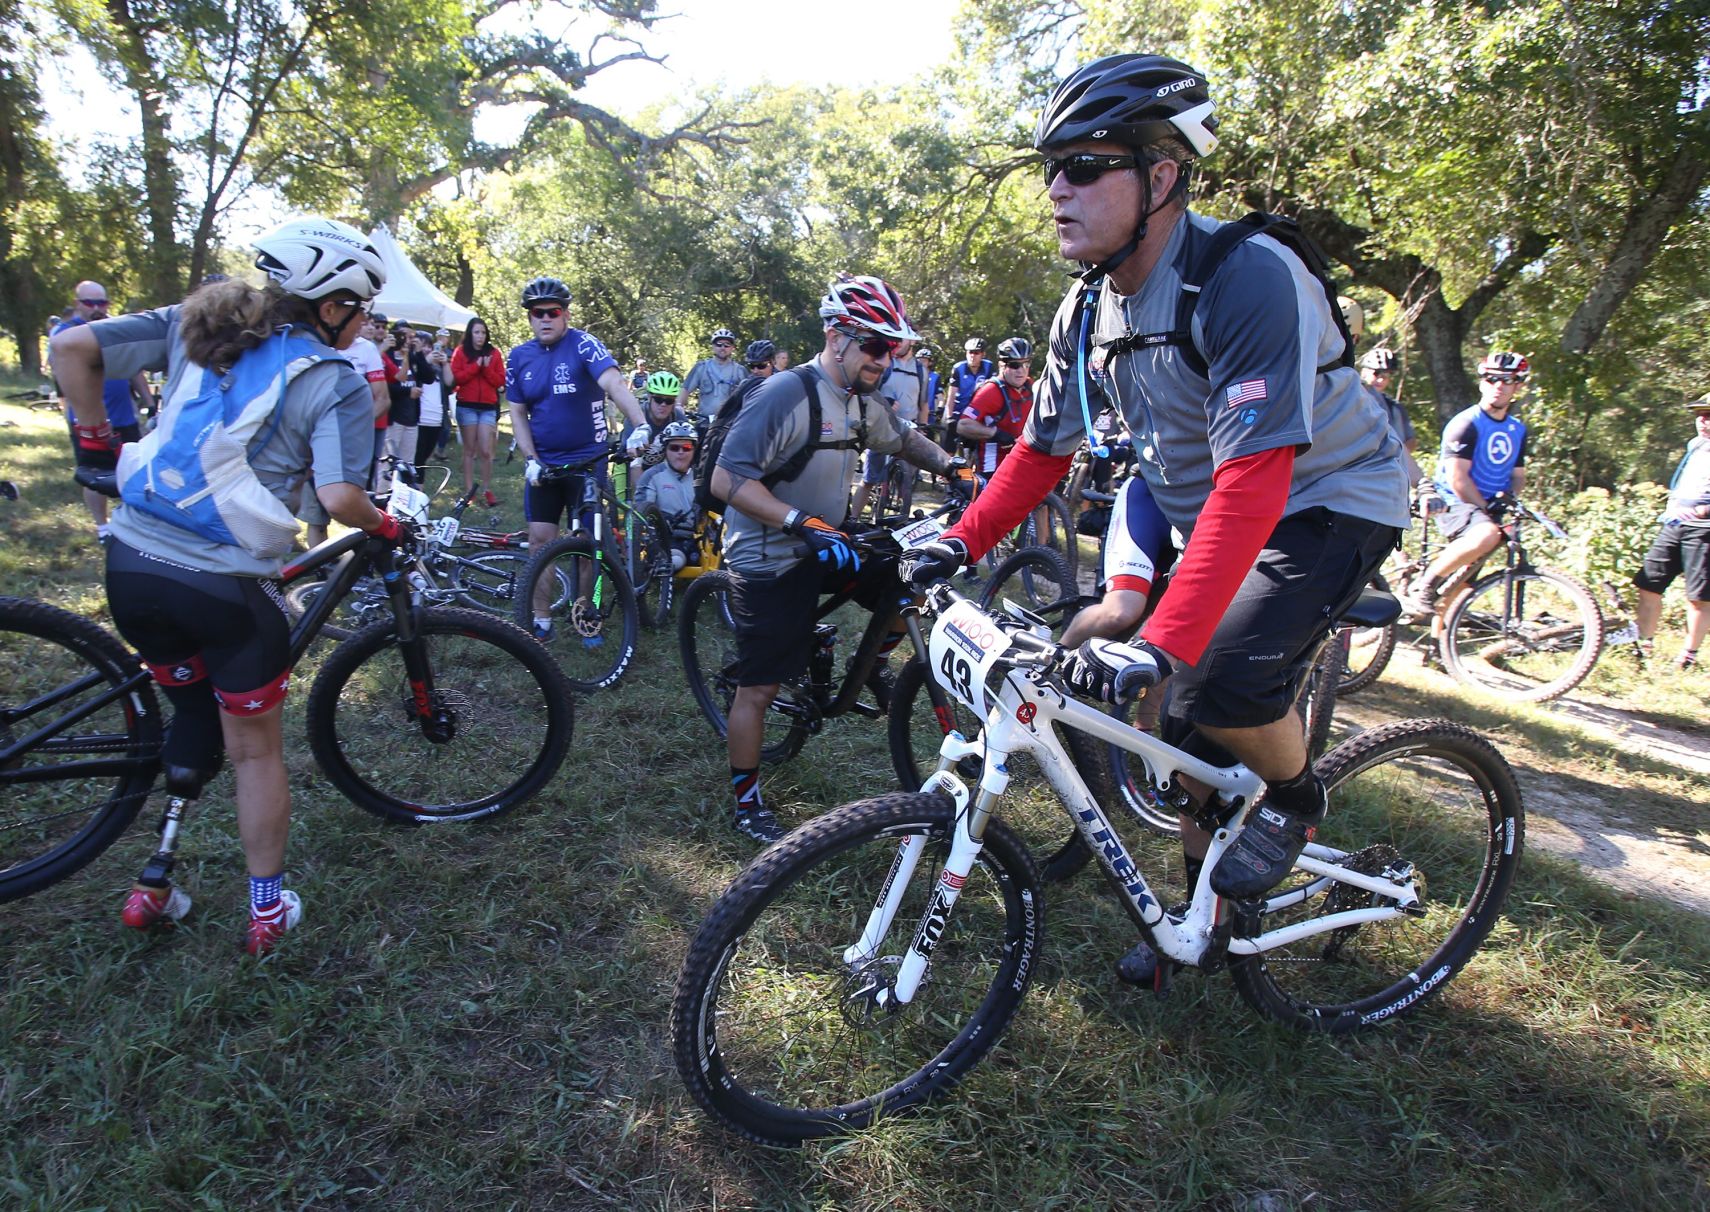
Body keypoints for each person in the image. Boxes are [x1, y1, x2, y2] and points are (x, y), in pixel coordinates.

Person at [903, 56, 1407, 981]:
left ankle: (1295, 798)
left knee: (1215, 676)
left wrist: (1165, 637)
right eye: (1050, 168)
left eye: (1085, 166)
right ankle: (1204, 919)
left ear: (1162, 176)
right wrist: (958, 539)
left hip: (1329, 499)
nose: (1058, 188)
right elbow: (1040, 450)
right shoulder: (1087, 303)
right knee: (1182, 736)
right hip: (1209, 506)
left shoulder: (1246, 276)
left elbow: (1257, 478)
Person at [48, 217, 409, 957]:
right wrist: (388, 525)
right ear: (332, 304)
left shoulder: (197, 321)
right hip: (221, 588)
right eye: (362, 306)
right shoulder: (331, 377)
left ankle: (156, 880)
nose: (364, 321)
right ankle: (266, 912)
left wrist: (97, 444)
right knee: (254, 749)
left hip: (132, 567)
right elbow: (342, 500)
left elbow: (72, 347)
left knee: (190, 715)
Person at [710, 274, 963, 843]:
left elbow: (902, 438)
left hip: (827, 536)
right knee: (760, 687)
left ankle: (871, 662)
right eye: (876, 345)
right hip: (769, 552)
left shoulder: (858, 399)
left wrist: (954, 468)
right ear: (837, 337)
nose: (886, 359)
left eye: (893, 348)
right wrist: (800, 522)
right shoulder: (785, 393)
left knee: (910, 578)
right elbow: (727, 478)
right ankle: (746, 801)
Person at [505, 275, 647, 641]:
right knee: (540, 540)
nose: (545, 319)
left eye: (553, 311)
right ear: (530, 318)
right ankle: (541, 618)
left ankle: (587, 609)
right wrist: (530, 458)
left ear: (566, 313)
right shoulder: (520, 357)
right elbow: (518, 413)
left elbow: (615, 384)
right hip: (545, 464)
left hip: (588, 460)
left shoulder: (585, 345)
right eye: (538, 313)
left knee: (589, 542)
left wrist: (641, 424)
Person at [1403, 351, 1531, 616]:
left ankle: (1440, 649)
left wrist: (1509, 502)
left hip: (1486, 508)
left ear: (1518, 386)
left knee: (1461, 588)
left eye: (1507, 380)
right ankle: (1424, 586)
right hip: (1455, 502)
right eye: (1492, 378)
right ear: (1482, 381)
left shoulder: (1517, 429)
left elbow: (1518, 475)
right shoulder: (1466, 423)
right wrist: (1486, 509)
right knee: (1487, 534)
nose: (1498, 386)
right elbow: (1457, 478)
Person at [48, 281, 155, 542]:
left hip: (124, 416)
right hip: (87, 420)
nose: (96, 308)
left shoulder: (115, 329)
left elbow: (135, 371)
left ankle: (131, 521)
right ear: (78, 304)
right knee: (95, 473)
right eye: (89, 303)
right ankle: (102, 527)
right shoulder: (65, 334)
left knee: (133, 470)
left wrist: (150, 404)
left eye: (102, 303)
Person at [1632, 396, 1710, 671]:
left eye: (1709, 416)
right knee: (1649, 583)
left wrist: (1702, 512)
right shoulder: (1696, 445)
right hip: (1675, 524)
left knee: (1699, 596)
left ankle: (1687, 656)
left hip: (1704, 532)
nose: (1703, 420)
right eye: (1700, 414)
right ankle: (1643, 646)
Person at [849, 337, 928, 519]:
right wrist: (884, 403)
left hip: (907, 431)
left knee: (906, 482)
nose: (899, 342)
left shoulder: (920, 369)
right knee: (869, 479)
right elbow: (867, 391)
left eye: (903, 339)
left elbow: (923, 403)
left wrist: (923, 428)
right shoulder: (886, 362)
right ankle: (852, 520)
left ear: (913, 341)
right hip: (881, 429)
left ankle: (899, 519)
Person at [957, 336, 1034, 475]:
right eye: (1015, 365)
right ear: (1001, 365)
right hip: (994, 466)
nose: (1021, 370)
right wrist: (995, 433)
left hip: (1022, 461)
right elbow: (963, 425)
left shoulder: (1030, 386)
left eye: (1026, 364)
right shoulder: (991, 391)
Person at [451, 317, 506, 504]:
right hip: (467, 406)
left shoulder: (494, 353)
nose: (480, 336)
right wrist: (476, 367)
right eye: (476, 332)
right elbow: (457, 378)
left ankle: (486, 489)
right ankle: (469, 491)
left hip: (488, 408)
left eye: (483, 332)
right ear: (470, 333)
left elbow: (499, 381)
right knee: (469, 450)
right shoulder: (460, 352)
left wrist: (487, 369)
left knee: (486, 450)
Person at [635, 419, 701, 570]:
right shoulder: (652, 476)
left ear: (694, 450)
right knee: (676, 560)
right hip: (666, 537)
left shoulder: (701, 476)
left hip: (700, 538)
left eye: (686, 447)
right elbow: (642, 513)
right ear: (665, 450)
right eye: (674, 447)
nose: (680, 453)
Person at [680, 328, 746, 418]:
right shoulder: (701, 368)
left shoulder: (740, 371)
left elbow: (749, 397)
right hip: (704, 423)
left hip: (729, 424)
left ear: (732, 348)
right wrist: (678, 412)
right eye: (719, 344)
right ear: (713, 346)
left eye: (727, 345)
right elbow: (685, 390)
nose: (722, 348)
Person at [415, 330, 454, 468]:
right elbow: (415, 377)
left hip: (436, 418)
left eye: (429, 346)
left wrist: (445, 363)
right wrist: (426, 361)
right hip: (419, 418)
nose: (427, 349)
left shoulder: (438, 366)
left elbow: (450, 382)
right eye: (423, 346)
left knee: (424, 461)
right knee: (416, 459)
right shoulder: (414, 363)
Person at [942, 336, 993, 435]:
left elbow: (993, 392)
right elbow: (951, 395)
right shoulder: (958, 368)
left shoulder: (989, 367)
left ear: (983, 354)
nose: (972, 356)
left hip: (977, 410)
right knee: (949, 436)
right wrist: (949, 417)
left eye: (976, 353)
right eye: (970, 352)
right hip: (958, 408)